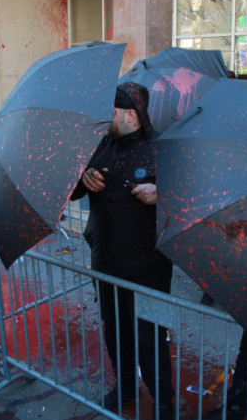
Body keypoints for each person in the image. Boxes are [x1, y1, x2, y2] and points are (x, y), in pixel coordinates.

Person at [70, 82, 175, 419]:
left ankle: (163, 399)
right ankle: (125, 386)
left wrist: (161, 194)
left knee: (150, 336)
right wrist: (83, 177)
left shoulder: (161, 150)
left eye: (110, 112)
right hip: (106, 260)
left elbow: (191, 200)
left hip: (148, 266)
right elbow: (70, 191)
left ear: (131, 114)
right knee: (115, 330)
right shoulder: (100, 145)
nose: (105, 119)